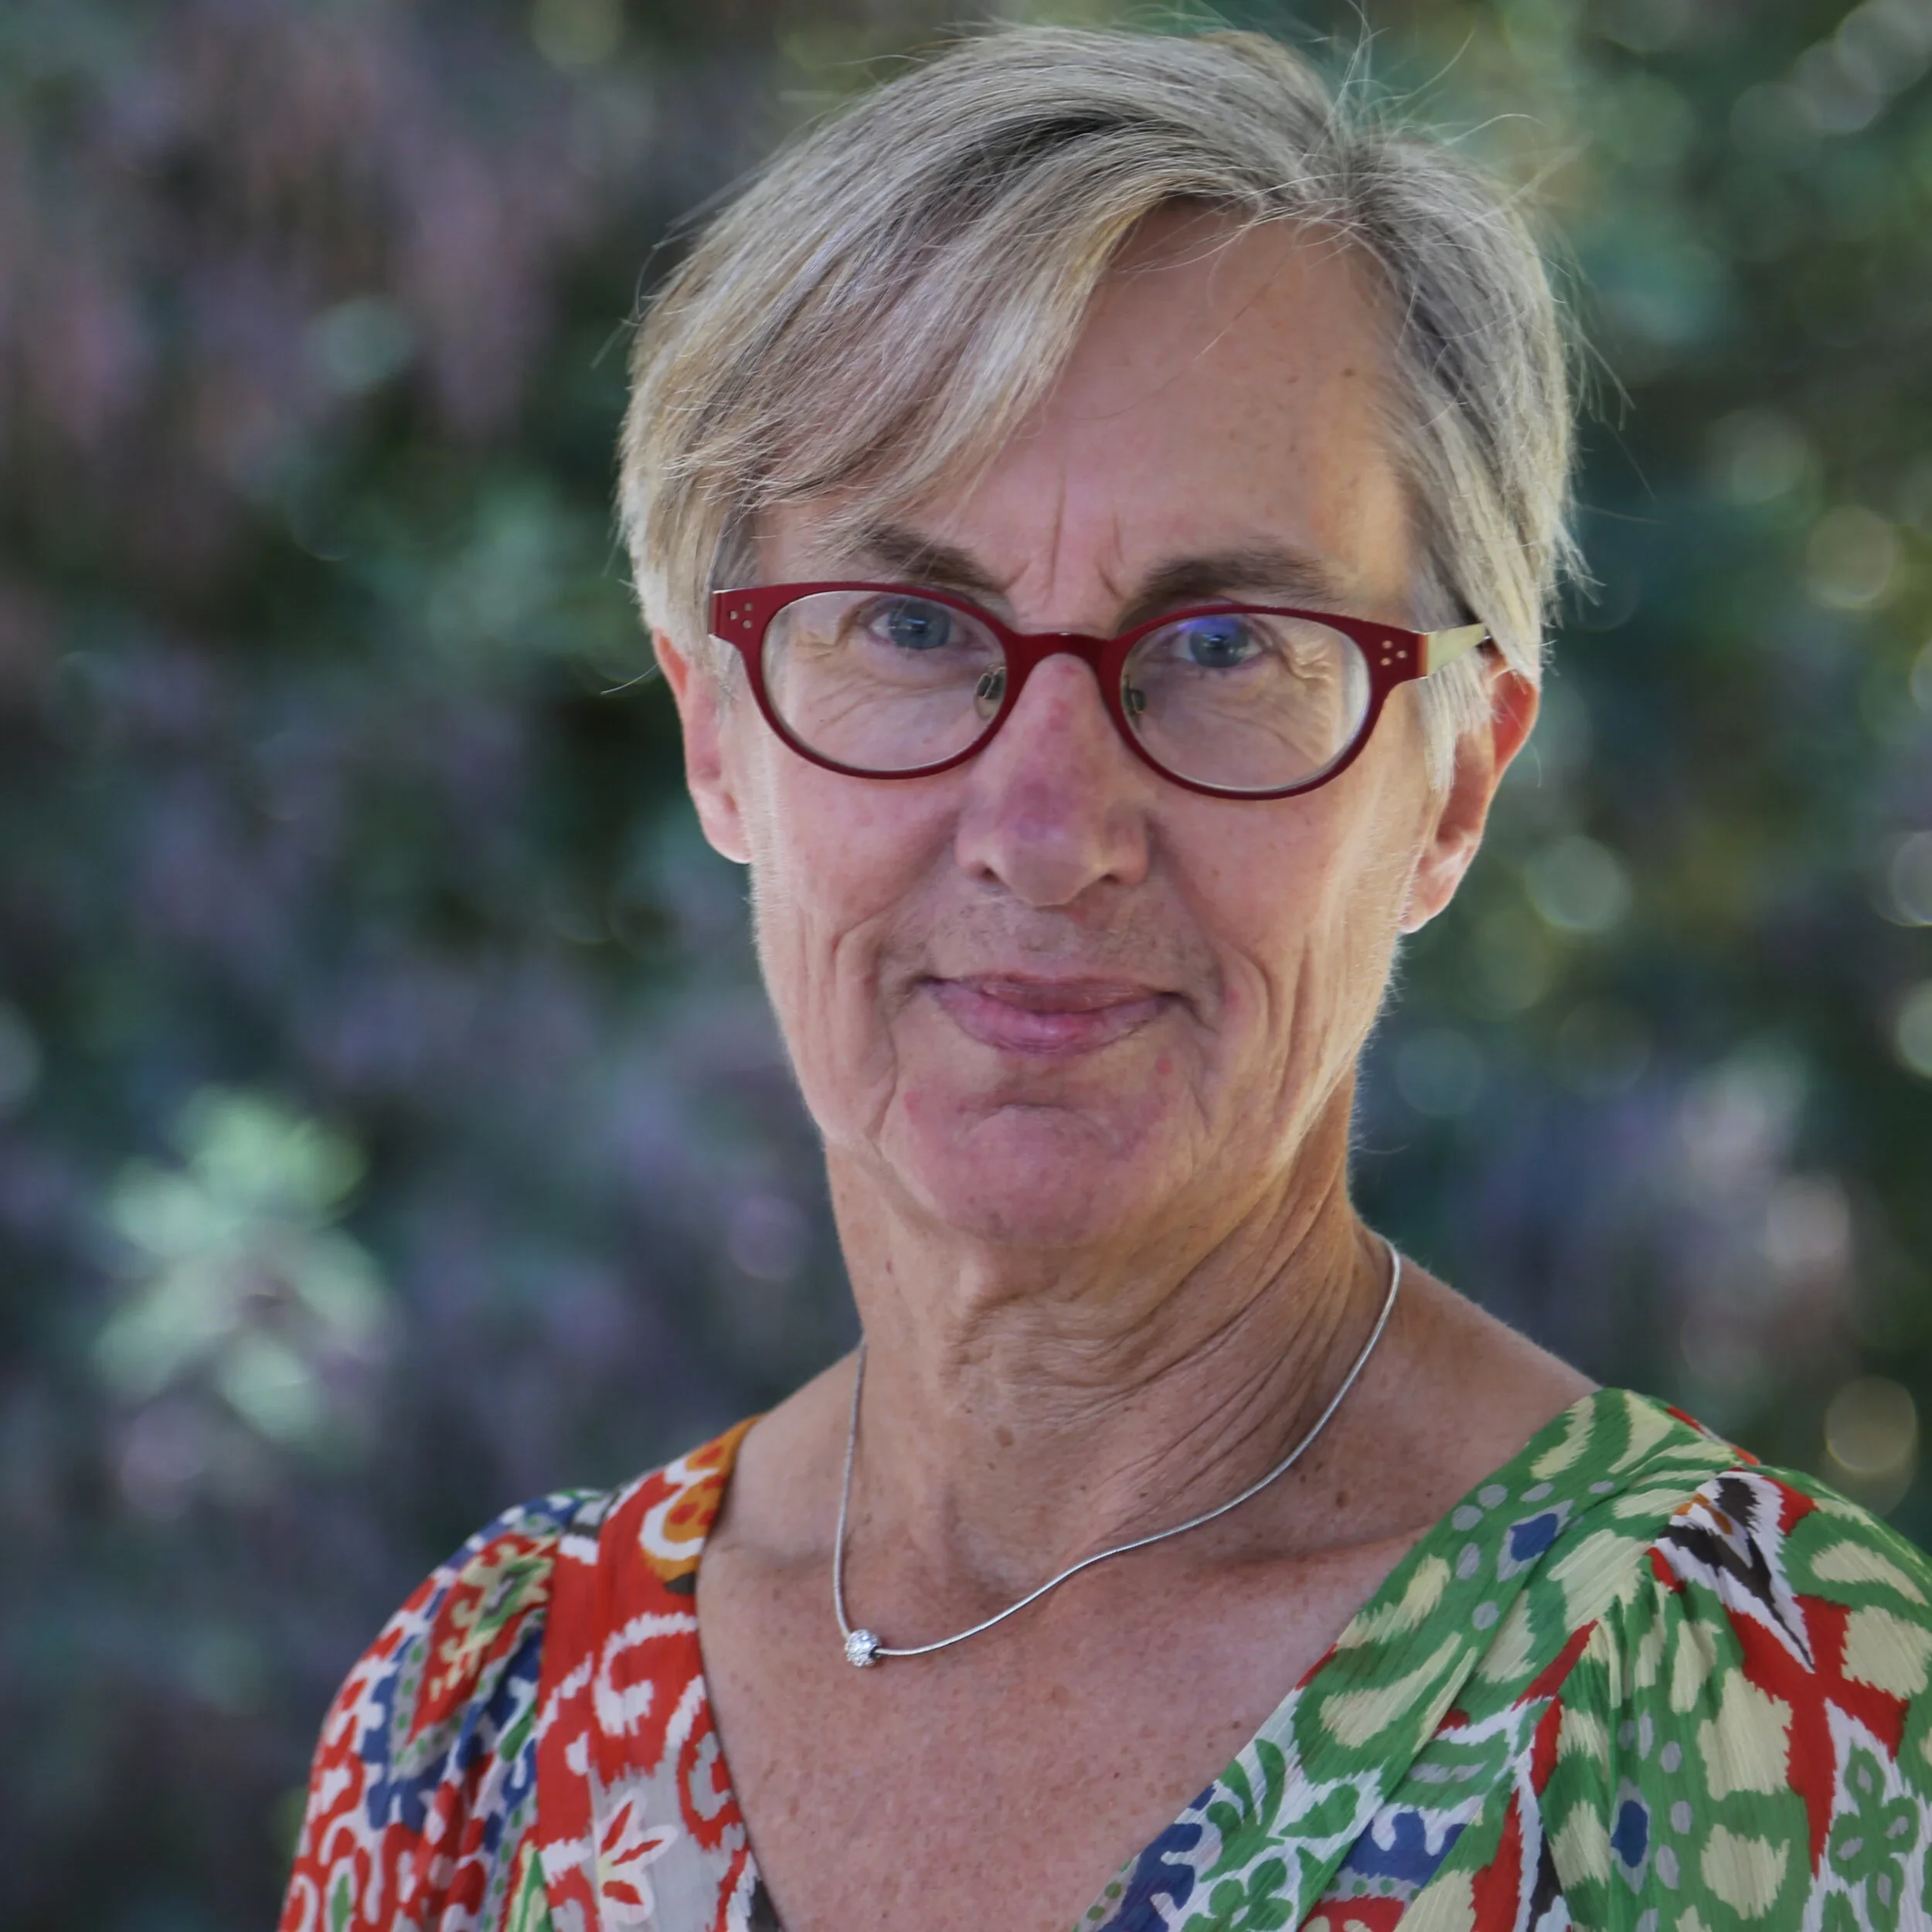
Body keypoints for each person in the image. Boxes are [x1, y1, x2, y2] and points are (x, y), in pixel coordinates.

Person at [279, 26, 1932, 1932]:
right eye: (907, 622)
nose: (1047, 827)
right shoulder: (473, 1732)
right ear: (718, 732)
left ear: (1453, 784)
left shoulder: (1784, 1727)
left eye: (1224, 644)